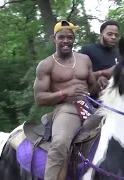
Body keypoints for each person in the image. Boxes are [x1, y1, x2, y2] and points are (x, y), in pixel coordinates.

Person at [33, 20, 106, 180]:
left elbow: (92, 89)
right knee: (60, 143)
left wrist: (100, 85)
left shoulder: (84, 59)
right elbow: (39, 98)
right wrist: (65, 92)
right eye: (61, 37)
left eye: (69, 37)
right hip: (67, 109)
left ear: (73, 39)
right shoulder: (46, 65)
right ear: (54, 39)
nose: (66, 41)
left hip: (90, 106)